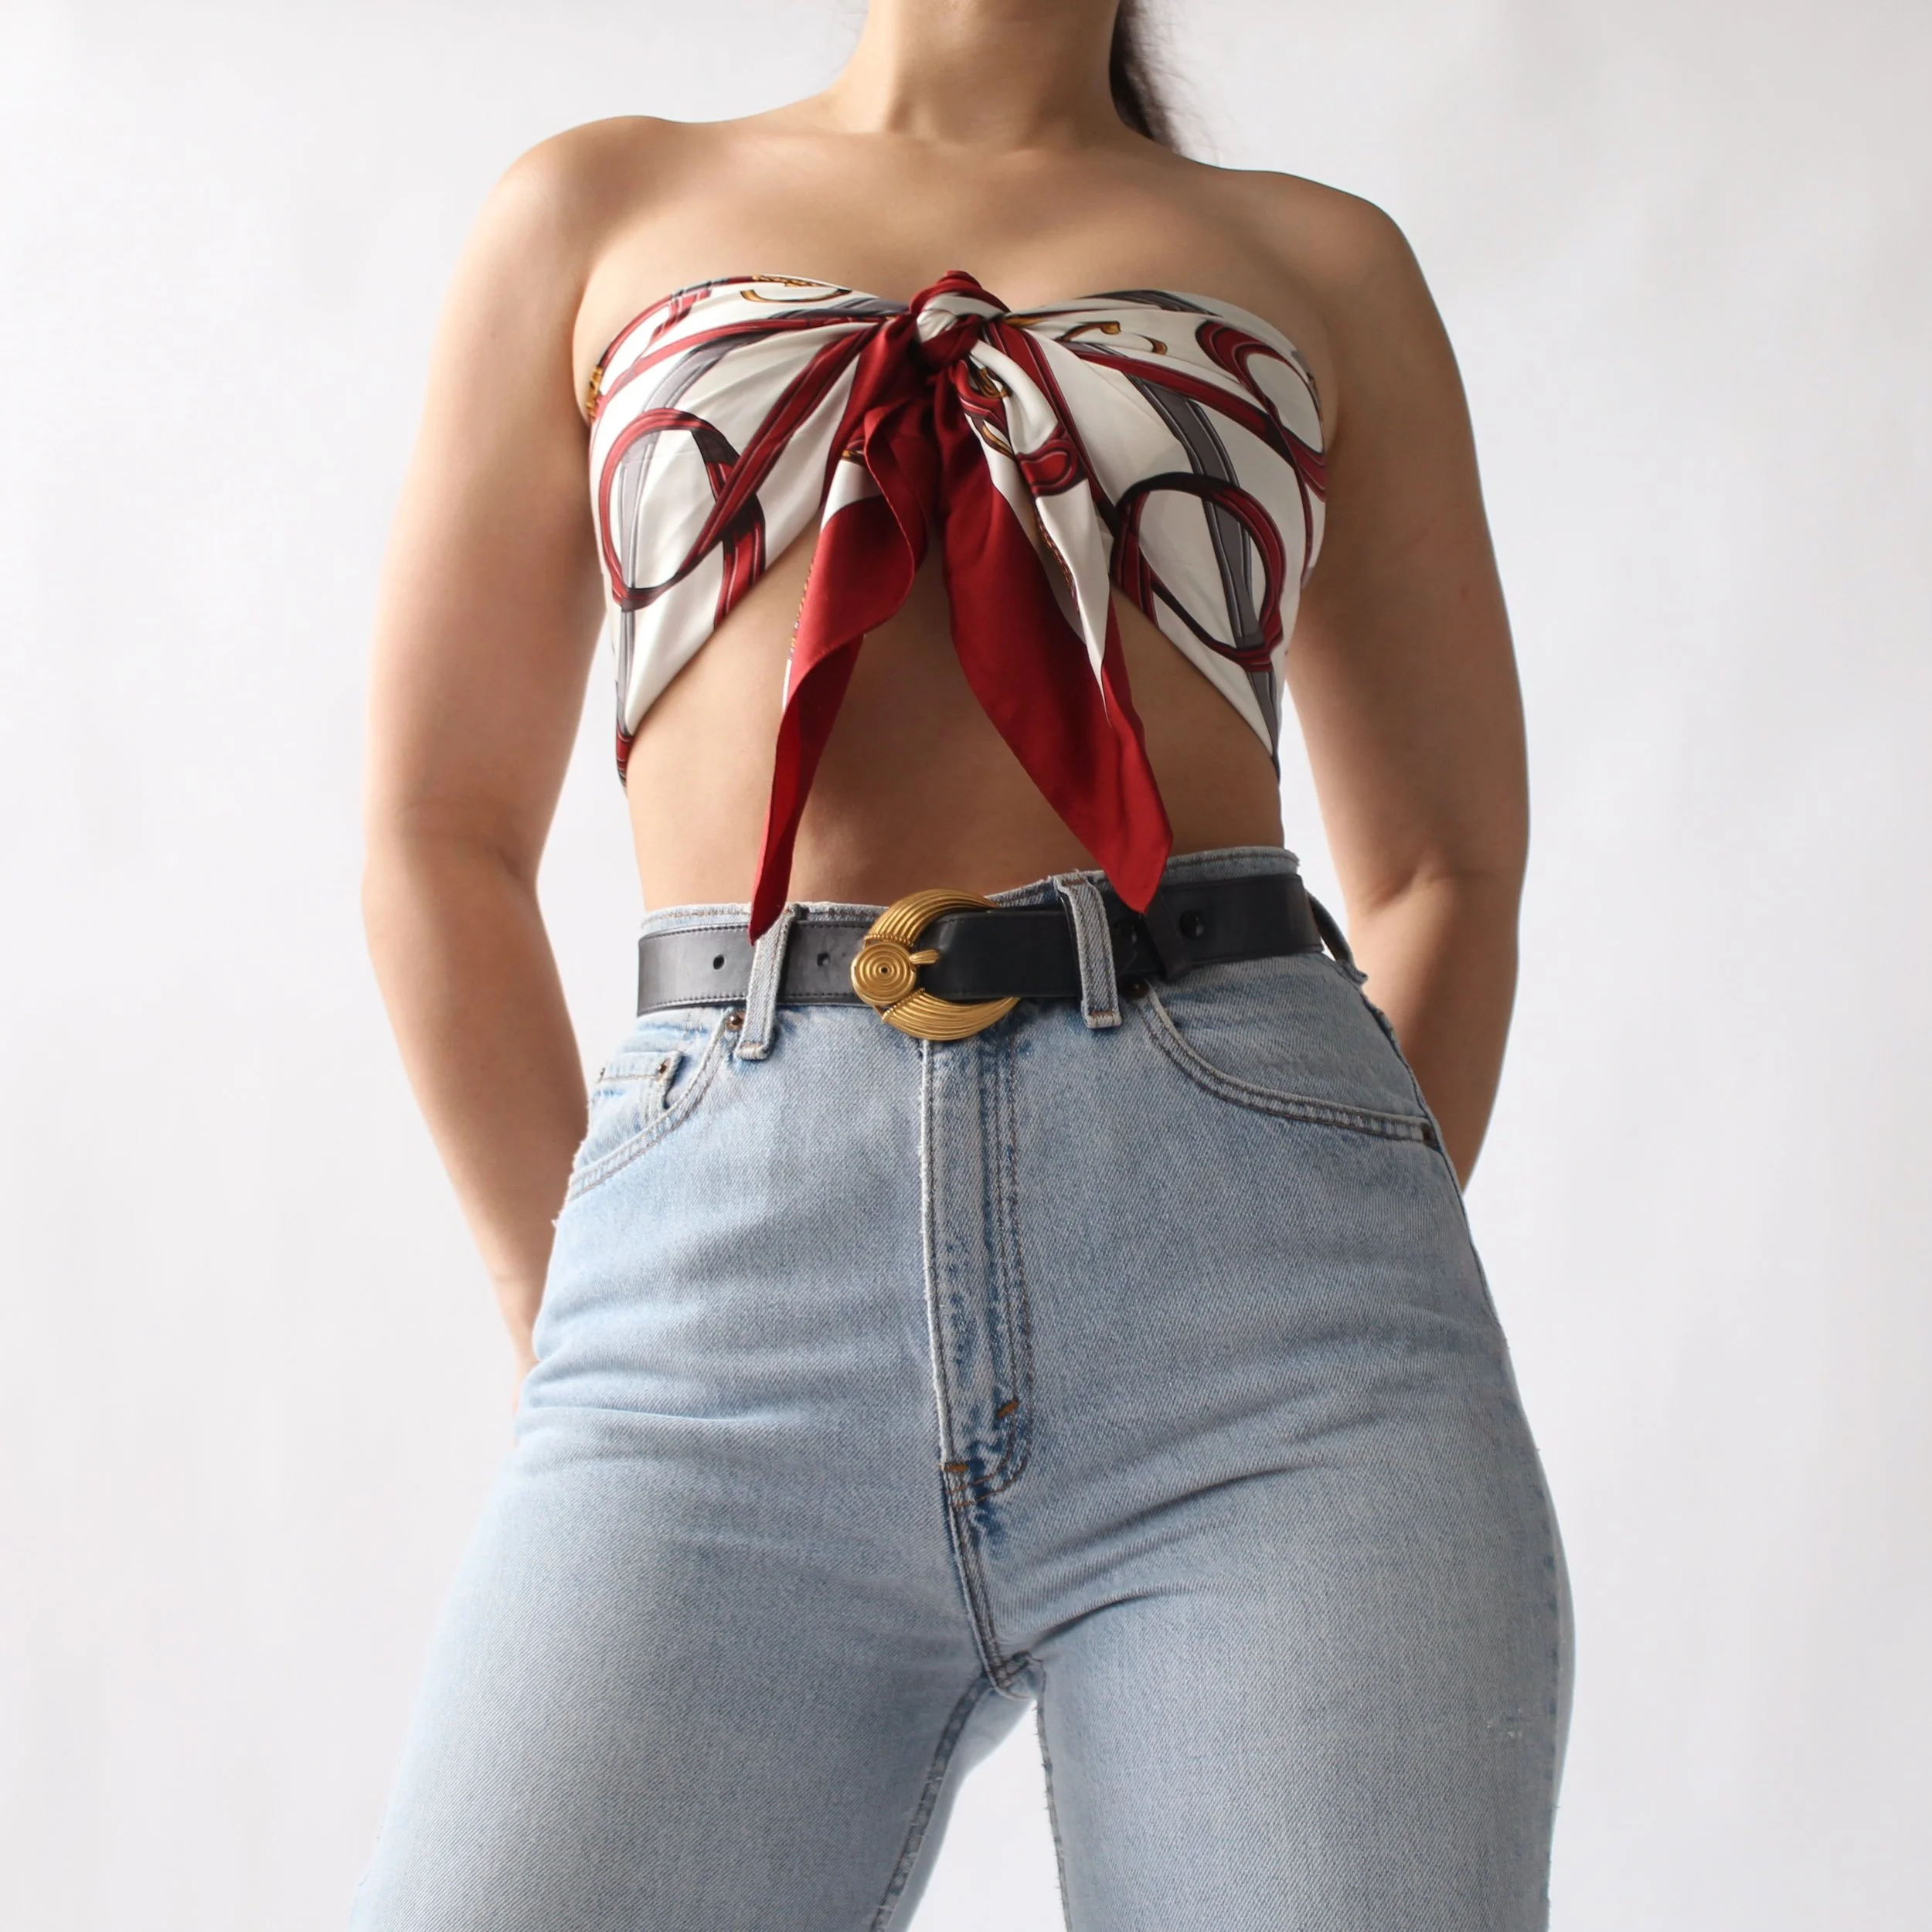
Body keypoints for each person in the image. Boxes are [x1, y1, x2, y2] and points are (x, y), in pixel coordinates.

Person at [351, 2, 1572, 1926]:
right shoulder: (594, 207)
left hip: (1280, 1358)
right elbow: (437, 832)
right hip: (707, 1323)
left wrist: (1309, 1223)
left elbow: (1443, 867)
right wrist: (566, 1299)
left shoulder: (1320, 260)